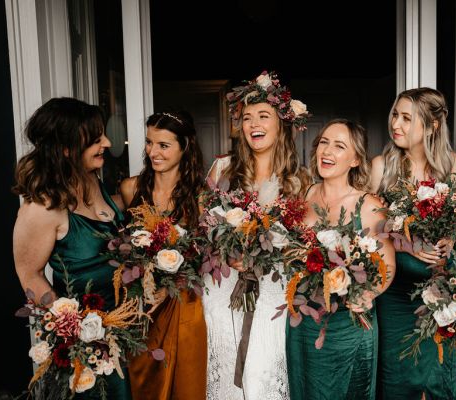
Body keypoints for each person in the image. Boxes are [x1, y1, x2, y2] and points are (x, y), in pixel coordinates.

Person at [12, 97, 131, 399]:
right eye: (95, 139)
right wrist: (75, 326)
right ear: (66, 148)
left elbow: (108, 221)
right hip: (87, 347)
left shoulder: (92, 179)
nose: (106, 141)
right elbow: (30, 275)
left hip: (125, 330)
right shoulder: (41, 208)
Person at [204, 71, 311, 400]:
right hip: (223, 288)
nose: (253, 125)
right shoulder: (222, 168)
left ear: (281, 124)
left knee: (262, 368)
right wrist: (226, 249)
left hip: (272, 292)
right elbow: (204, 225)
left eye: (263, 116)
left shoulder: (300, 180)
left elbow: (305, 247)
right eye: (247, 118)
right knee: (223, 365)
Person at [286, 119, 396, 400]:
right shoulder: (305, 195)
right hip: (305, 320)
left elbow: (388, 267)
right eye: (324, 142)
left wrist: (368, 293)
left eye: (339, 146)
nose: (327, 151)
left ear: (355, 159)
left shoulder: (370, 205)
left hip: (348, 324)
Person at [370, 87, 456, 399]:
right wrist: (404, 245)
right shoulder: (381, 167)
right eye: (395, 115)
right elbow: (371, 233)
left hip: (440, 292)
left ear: (432, 124)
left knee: (437, 378)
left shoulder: (454, 166)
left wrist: (452, 240)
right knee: (396, 379)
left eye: (406, 118)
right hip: (396, 295)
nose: (396, 123)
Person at [119, 111, 207, 399]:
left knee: (186, 382)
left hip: (183, 304)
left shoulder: (201, 197)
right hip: (142, 307)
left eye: (163, 145)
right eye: (149, 143)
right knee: (144, 381)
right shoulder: (131, 188)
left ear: (185, 147)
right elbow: (121, 248)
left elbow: (206, 255)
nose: (152, 152)